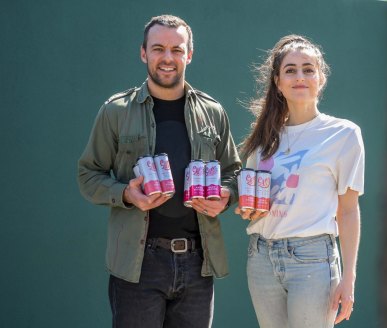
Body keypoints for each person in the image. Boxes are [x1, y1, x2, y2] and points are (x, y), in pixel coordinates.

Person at [77, 15, 241, 328]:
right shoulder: (116, 111)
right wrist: (126, 193)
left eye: (177, 50)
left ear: (189, 55)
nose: (167, 58)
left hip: (197, 263)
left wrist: (227, 196)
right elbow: (88, 175)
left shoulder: (213, 111)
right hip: (139, 264)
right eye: (158, 49)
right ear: (144, 53)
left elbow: (232, 171)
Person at [236, 35, 364, 327]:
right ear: (278, 82)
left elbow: (348, 210)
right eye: (290, 70)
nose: (300, 76)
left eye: (308, 69)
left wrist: (349, 278)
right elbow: (254, 202)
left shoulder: (343, 134)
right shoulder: (262, 139)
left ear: (321, 78)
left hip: (313, 261)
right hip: (261, 258)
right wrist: (249, 209)